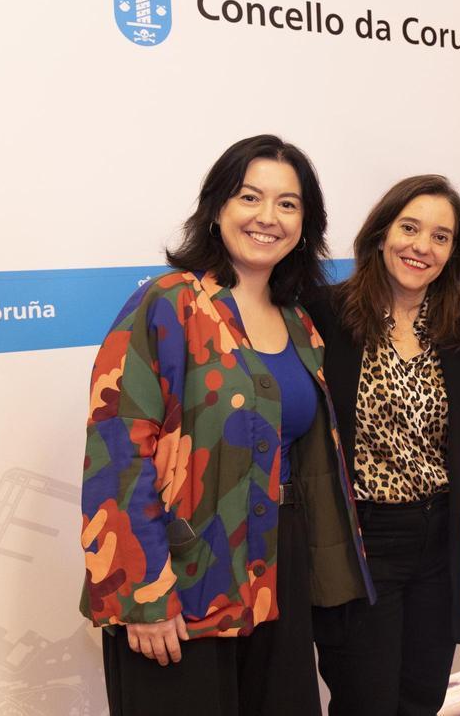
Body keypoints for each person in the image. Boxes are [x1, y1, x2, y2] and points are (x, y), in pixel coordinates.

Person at [80, 135, 374, 716]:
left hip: (279, 571)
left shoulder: (300, 323)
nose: (268, 217)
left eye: (288, 204)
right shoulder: (168, 303)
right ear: (217, 208)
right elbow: (118, 448)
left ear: (305, 223)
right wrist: (143, 594)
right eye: (250, 197)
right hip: (182, 574)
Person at [306, 175, 460, 716]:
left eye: (440, 236)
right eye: (409, 227)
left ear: (453, 253)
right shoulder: (326, 315)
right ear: (381, 233)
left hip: (441, 543)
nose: (421, 246)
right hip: (365, 543)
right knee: (366, 701)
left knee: (421, 697)